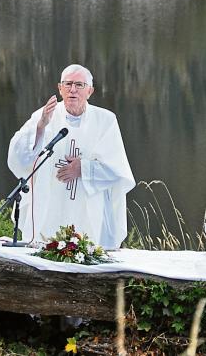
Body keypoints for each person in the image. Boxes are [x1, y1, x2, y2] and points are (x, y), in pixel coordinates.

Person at [7, 64, 135, 249]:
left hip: (88, 208)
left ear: (90, 91)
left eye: (79, 85)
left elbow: (118, 171)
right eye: (67, 84)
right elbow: (17, 158)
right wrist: (40, 127)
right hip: (50, 205)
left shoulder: (105, 121)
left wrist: (83, 168)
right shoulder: (44, 116)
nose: (72, 90)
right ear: (60, 88)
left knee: (86, 252)